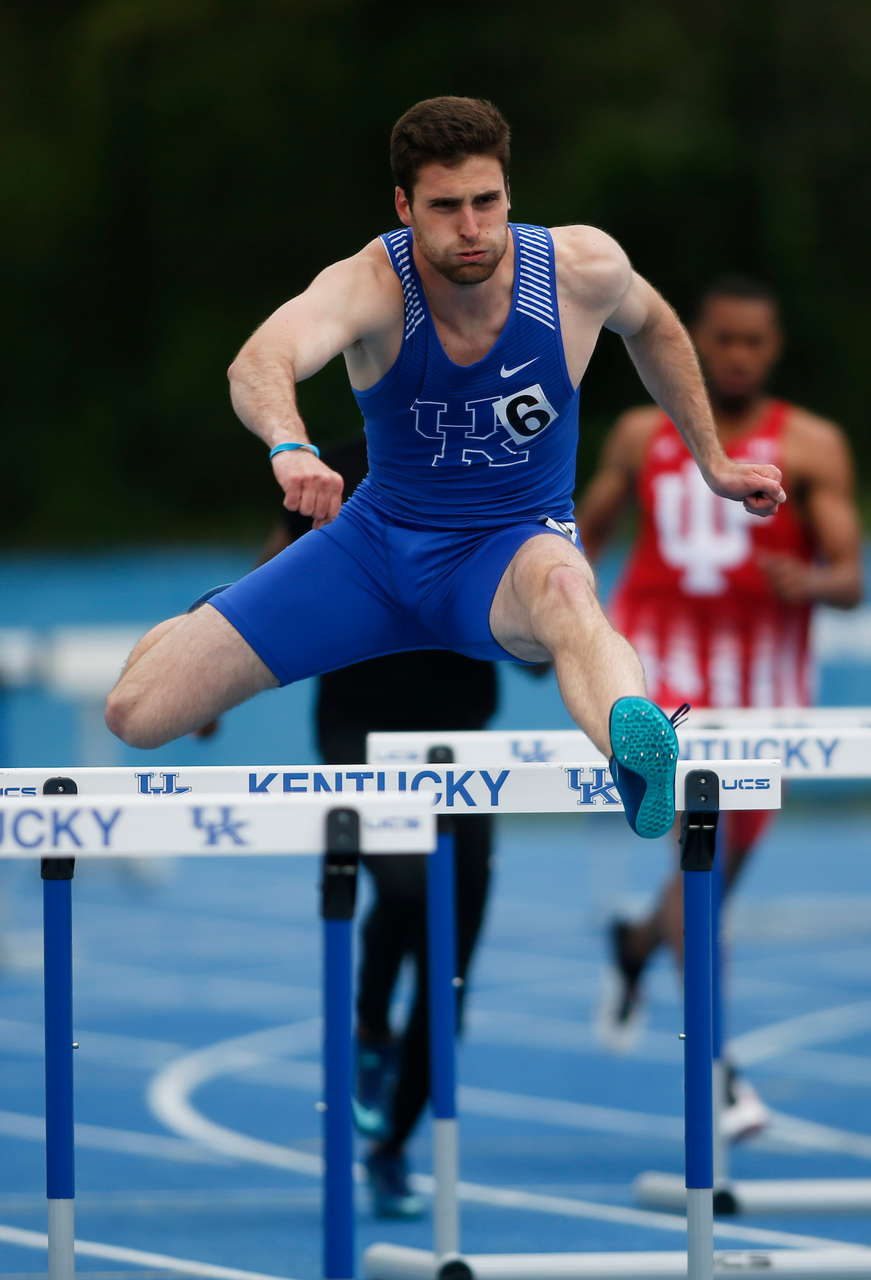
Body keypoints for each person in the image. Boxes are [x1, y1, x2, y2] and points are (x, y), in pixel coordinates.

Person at [105, 98, 786, 894]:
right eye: (445, 207)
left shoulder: (580, 270)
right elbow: (260, 361)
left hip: (505, 552)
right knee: (137, 716)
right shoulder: (369, 283)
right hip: (373, 551)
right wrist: (289, 446)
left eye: (486, 202)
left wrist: (711, 459)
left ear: (508, 193)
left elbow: (655, 326)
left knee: (568, 589)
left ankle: (633, 744)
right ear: (404, 207)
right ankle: (218, 611)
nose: (470, 227)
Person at [575, 275, 863, 1131]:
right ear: (695, 340)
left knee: (714, 875)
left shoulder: (812, 447)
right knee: (696, 864)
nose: (735, 357)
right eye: (722, 340)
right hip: (660, 672)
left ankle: (633, 946)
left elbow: (850, 580)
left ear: (772, 349)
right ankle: (717, 1070)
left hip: (766, 685)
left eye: (753, 342)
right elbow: (579, 532)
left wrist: (808, 580)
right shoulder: (639, 435)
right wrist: (563, 621)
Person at [259, 433, 498, 1217]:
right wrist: (209, 677)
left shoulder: (491, 471)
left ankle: (391, 1146)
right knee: (405, 885)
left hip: (459, 746)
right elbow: (269, 582)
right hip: (358, 730)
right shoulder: (336, 480)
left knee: (450, 970)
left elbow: (531, 618)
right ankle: (369, 1024)